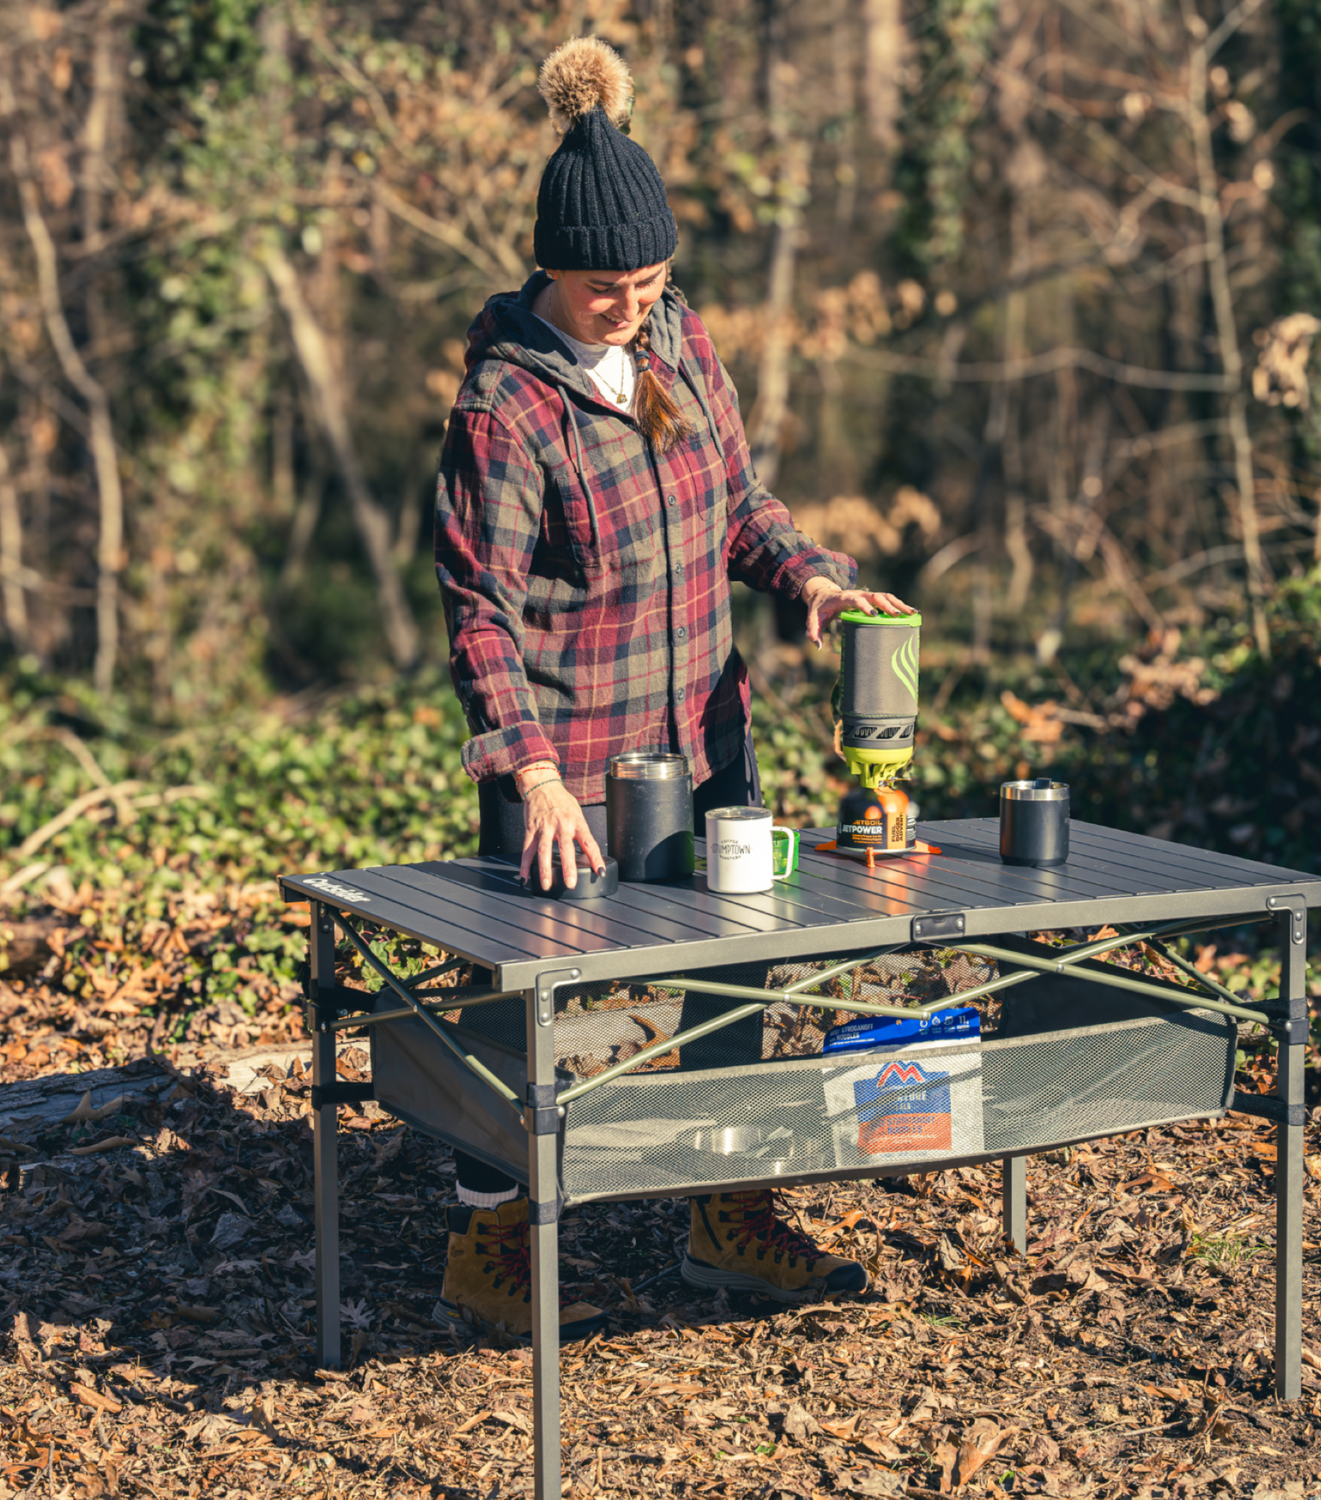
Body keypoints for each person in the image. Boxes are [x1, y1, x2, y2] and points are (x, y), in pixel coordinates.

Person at [431, 37, 911, 1342]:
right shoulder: (506, 408)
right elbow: (481, 602)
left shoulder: (668, 351)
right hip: (568, 769)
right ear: (549, 271)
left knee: (729, 985)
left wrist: (809, 578)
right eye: (604, 289)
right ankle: (491, 1243)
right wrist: (526, 770)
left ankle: (724, 1211)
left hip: (704, 742)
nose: (630, 308)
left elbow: (728, 507)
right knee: (521, 1010)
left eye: (649, 283)